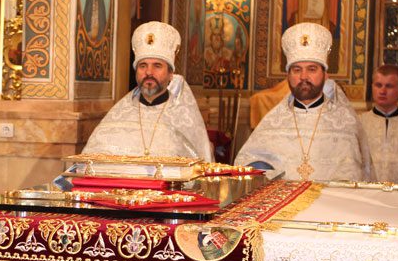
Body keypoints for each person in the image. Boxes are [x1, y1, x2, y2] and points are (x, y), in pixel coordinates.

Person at [235, 22, 371, 181]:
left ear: (325, 75)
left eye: (312, 69)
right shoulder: (272, 123)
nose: (303, 76)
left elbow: (355, 176)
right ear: (288, 75)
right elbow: (247, 165)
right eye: (297, 69)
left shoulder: (344, 124)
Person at [82, 21, 213, 161]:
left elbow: (200, 167)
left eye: (157, 66)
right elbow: (90, 164)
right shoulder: (118, 115)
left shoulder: (185, 119)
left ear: (170, 74)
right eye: (143, 66)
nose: (149, 72)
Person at [358, 64, 398, 183]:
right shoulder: (358, 123)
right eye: (378, 85)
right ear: (372, 87)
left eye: (389, 86)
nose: (382, 91)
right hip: (366, 190)